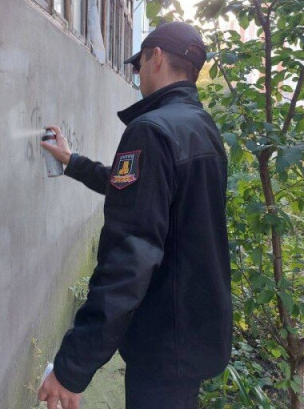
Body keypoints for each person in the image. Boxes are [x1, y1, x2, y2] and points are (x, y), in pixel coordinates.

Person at [38, 22, 232, 409]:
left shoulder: (152, 131)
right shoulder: (201, 127)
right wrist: (72, 162)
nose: (138, 74)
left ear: (155, 57)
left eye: (139, 64)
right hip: (194, 330)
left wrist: (73, 364)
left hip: (164, 341)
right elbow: (146, 195)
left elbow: (130, 256)